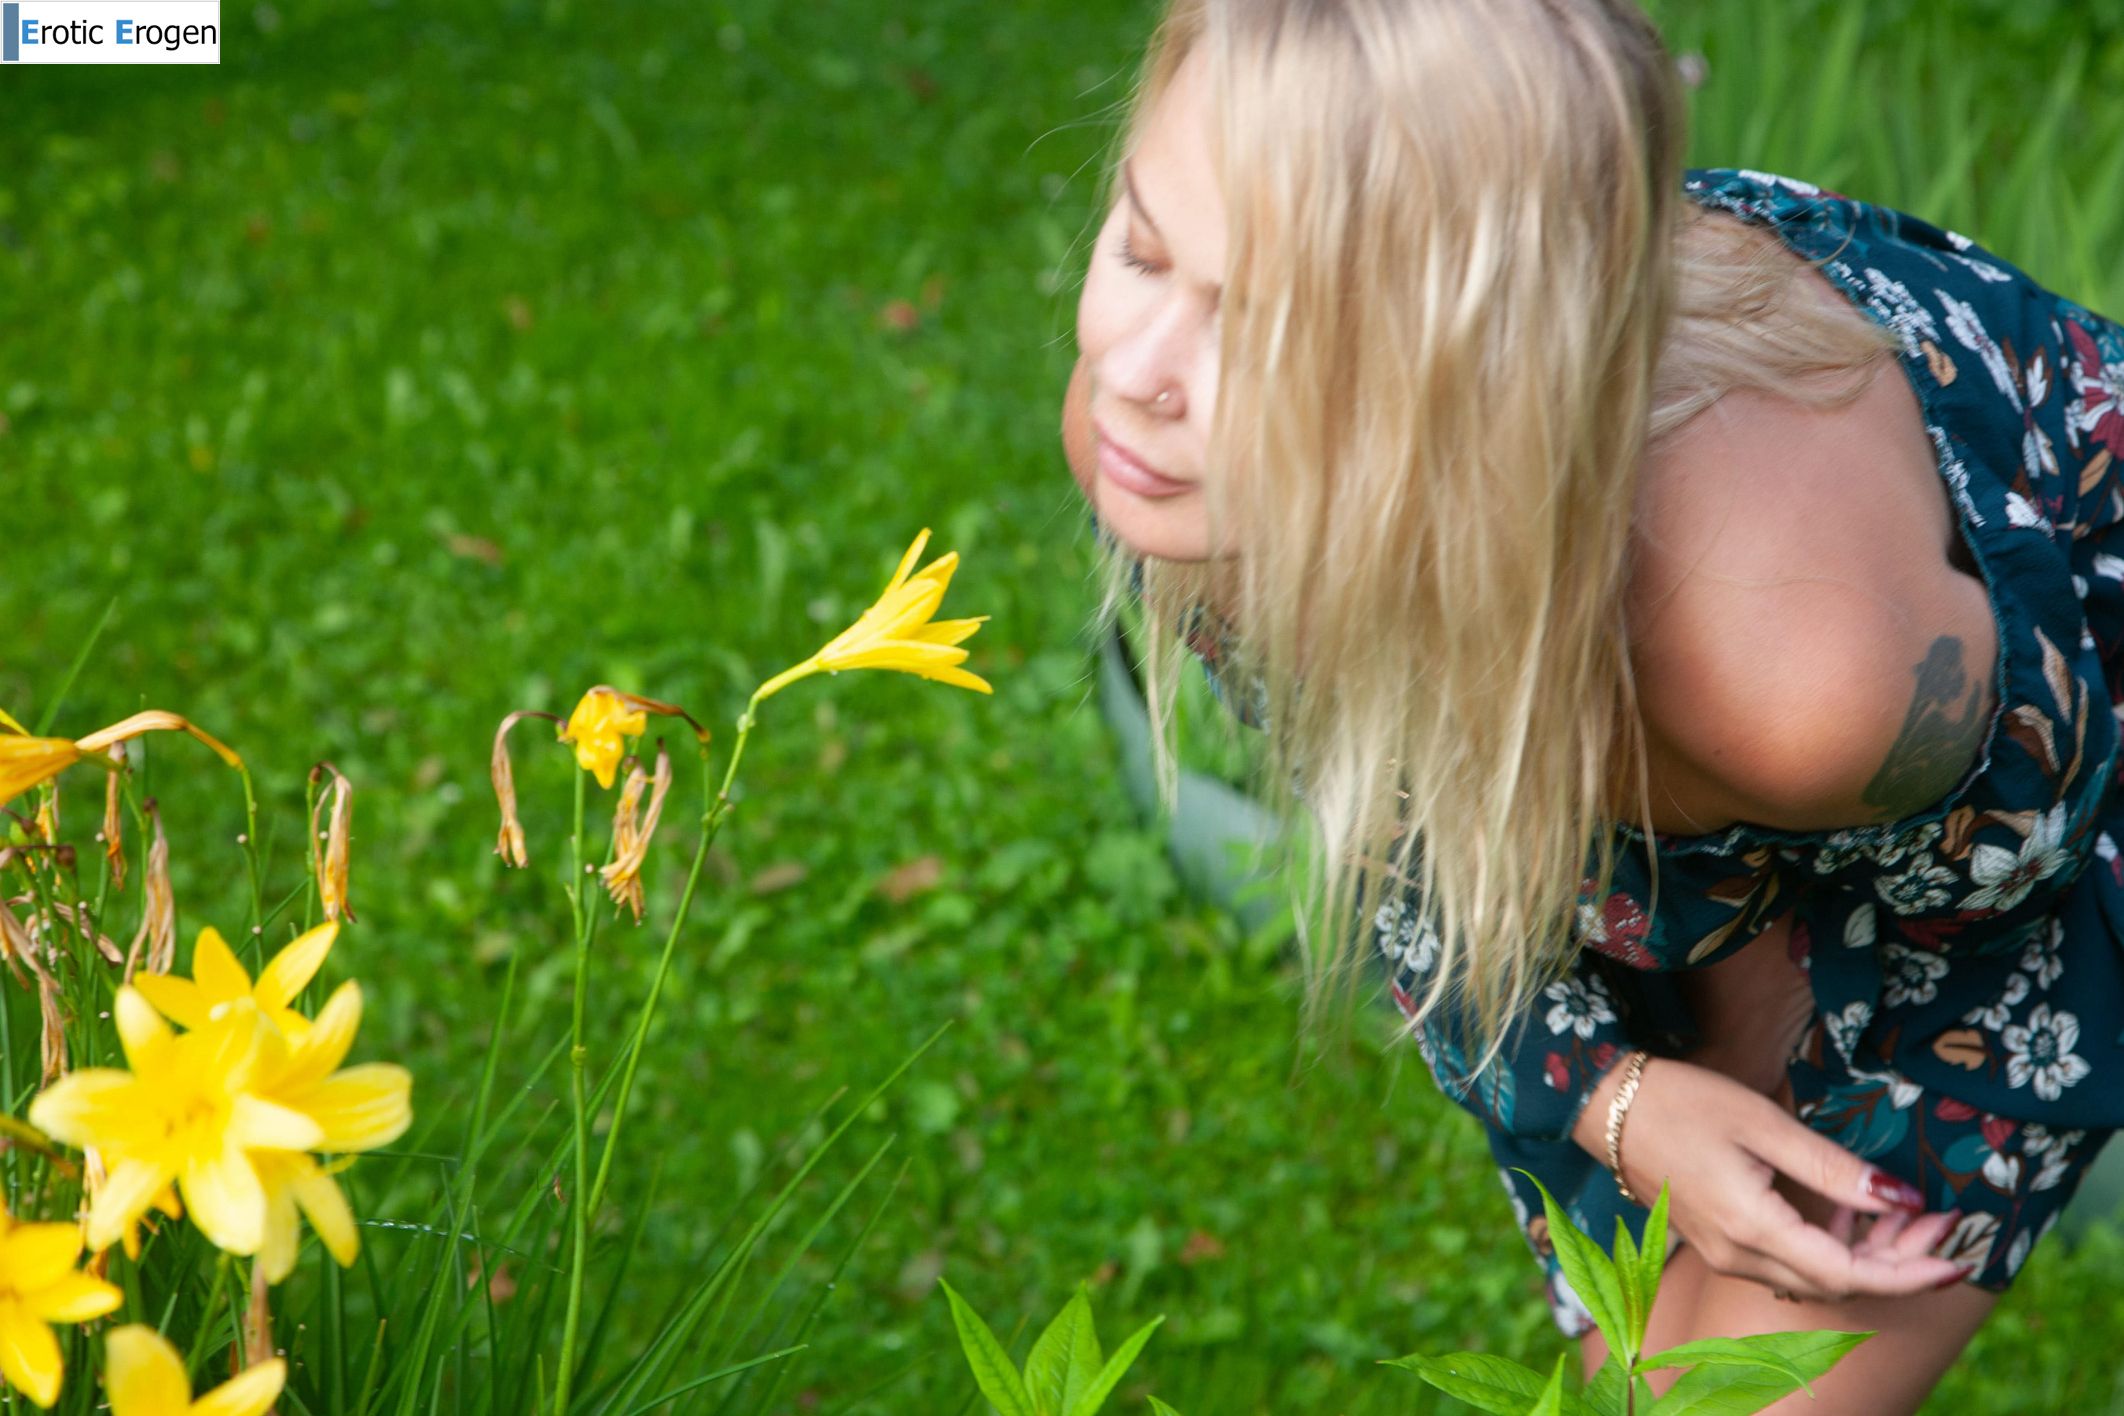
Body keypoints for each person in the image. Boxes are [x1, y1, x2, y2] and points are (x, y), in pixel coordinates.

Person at [1055, 1, 2124, 1411]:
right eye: (1142, 246)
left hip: (1998, 865)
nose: (1134, 377)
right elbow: (1412, 819)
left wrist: (1736, 1060)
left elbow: (2031, 882)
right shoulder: (1184, 458)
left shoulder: (1802, 676)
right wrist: (1611, 1095)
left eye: (1269, 331)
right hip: (1661, 790)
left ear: (1487, 376)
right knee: (1638, 1372)